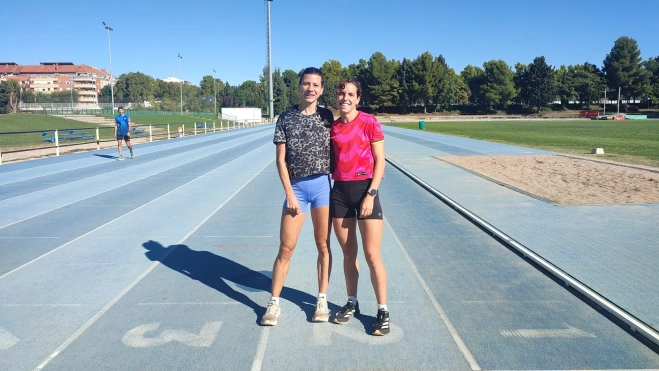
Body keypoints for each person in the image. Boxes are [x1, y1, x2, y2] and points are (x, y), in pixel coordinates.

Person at [261, 67, 335, 326]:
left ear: (321, 89)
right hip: (297, 191)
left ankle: (322, 299)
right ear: (299, 86)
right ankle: (274, 302)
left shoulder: (328, 117)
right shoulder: (286, 118)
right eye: (306, 84)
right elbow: (281, 161)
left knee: (323, 245)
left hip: (323, 188)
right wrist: (289, 194)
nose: (310, 89)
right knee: (286, 247)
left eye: (315, 85)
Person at [330, 77, 389, 336]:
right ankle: (352, 301)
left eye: (351, 94)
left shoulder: (369, 122)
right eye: (342, 93)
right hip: (340, 192)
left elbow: (380, 161)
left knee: (372, 255)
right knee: (348, 253)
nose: (346, 98)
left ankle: (383, 310)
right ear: (336, 97)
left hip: (366, 190)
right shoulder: (332, 127)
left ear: (358, 98)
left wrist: (371, 194)